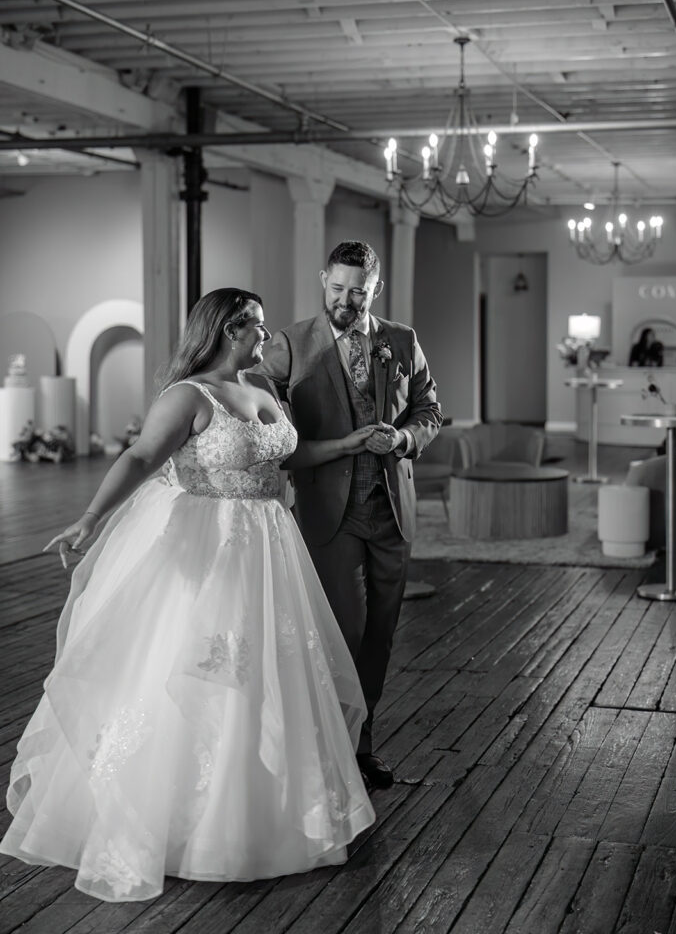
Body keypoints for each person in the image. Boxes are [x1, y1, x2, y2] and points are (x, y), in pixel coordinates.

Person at [0, 288, 377, 902]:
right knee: (204, 674)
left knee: (269, 676)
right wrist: (88, 519)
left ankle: (266, 812)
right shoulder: (189, 396)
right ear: (230, 330)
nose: (266, 332)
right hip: (214, 547)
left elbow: (282, 458)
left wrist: (347, 444)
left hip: (271, 547)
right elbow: (143, 455)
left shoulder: (265, 388)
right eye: (256, 324)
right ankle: (191, 829)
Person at [254, 241, 442, 790]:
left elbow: (430, 406)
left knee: (380, 635)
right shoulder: (290, 343)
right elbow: (258, 401)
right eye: (336, 288)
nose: (345, 299)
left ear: (374, 288)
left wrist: (405, 436)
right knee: (343, 632)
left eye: (357, 290)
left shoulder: (402, 341)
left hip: (392, 512)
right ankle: (327, 745)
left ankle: (360, 745)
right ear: (323, 280)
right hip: (328, 513)